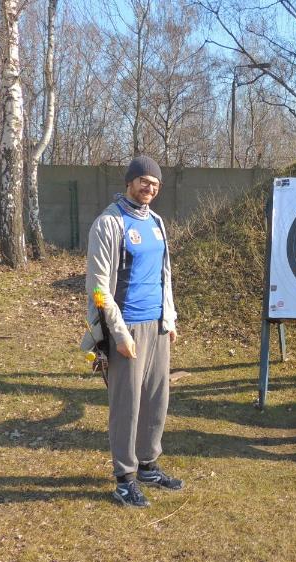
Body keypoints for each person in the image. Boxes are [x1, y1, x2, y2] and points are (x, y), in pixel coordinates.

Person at [82, 156, 183, 507]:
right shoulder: (108, 223)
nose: (149, 188)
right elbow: (98, 287)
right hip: (126, 328)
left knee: (156, 399)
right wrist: (118, 333)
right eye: (143, 181)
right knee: (127, 406)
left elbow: (164, 275)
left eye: (154, 183)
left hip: (157, 326)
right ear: (129, 182)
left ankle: (148, 465)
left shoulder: (156, 222)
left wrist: (169, 318)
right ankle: (125, 479)